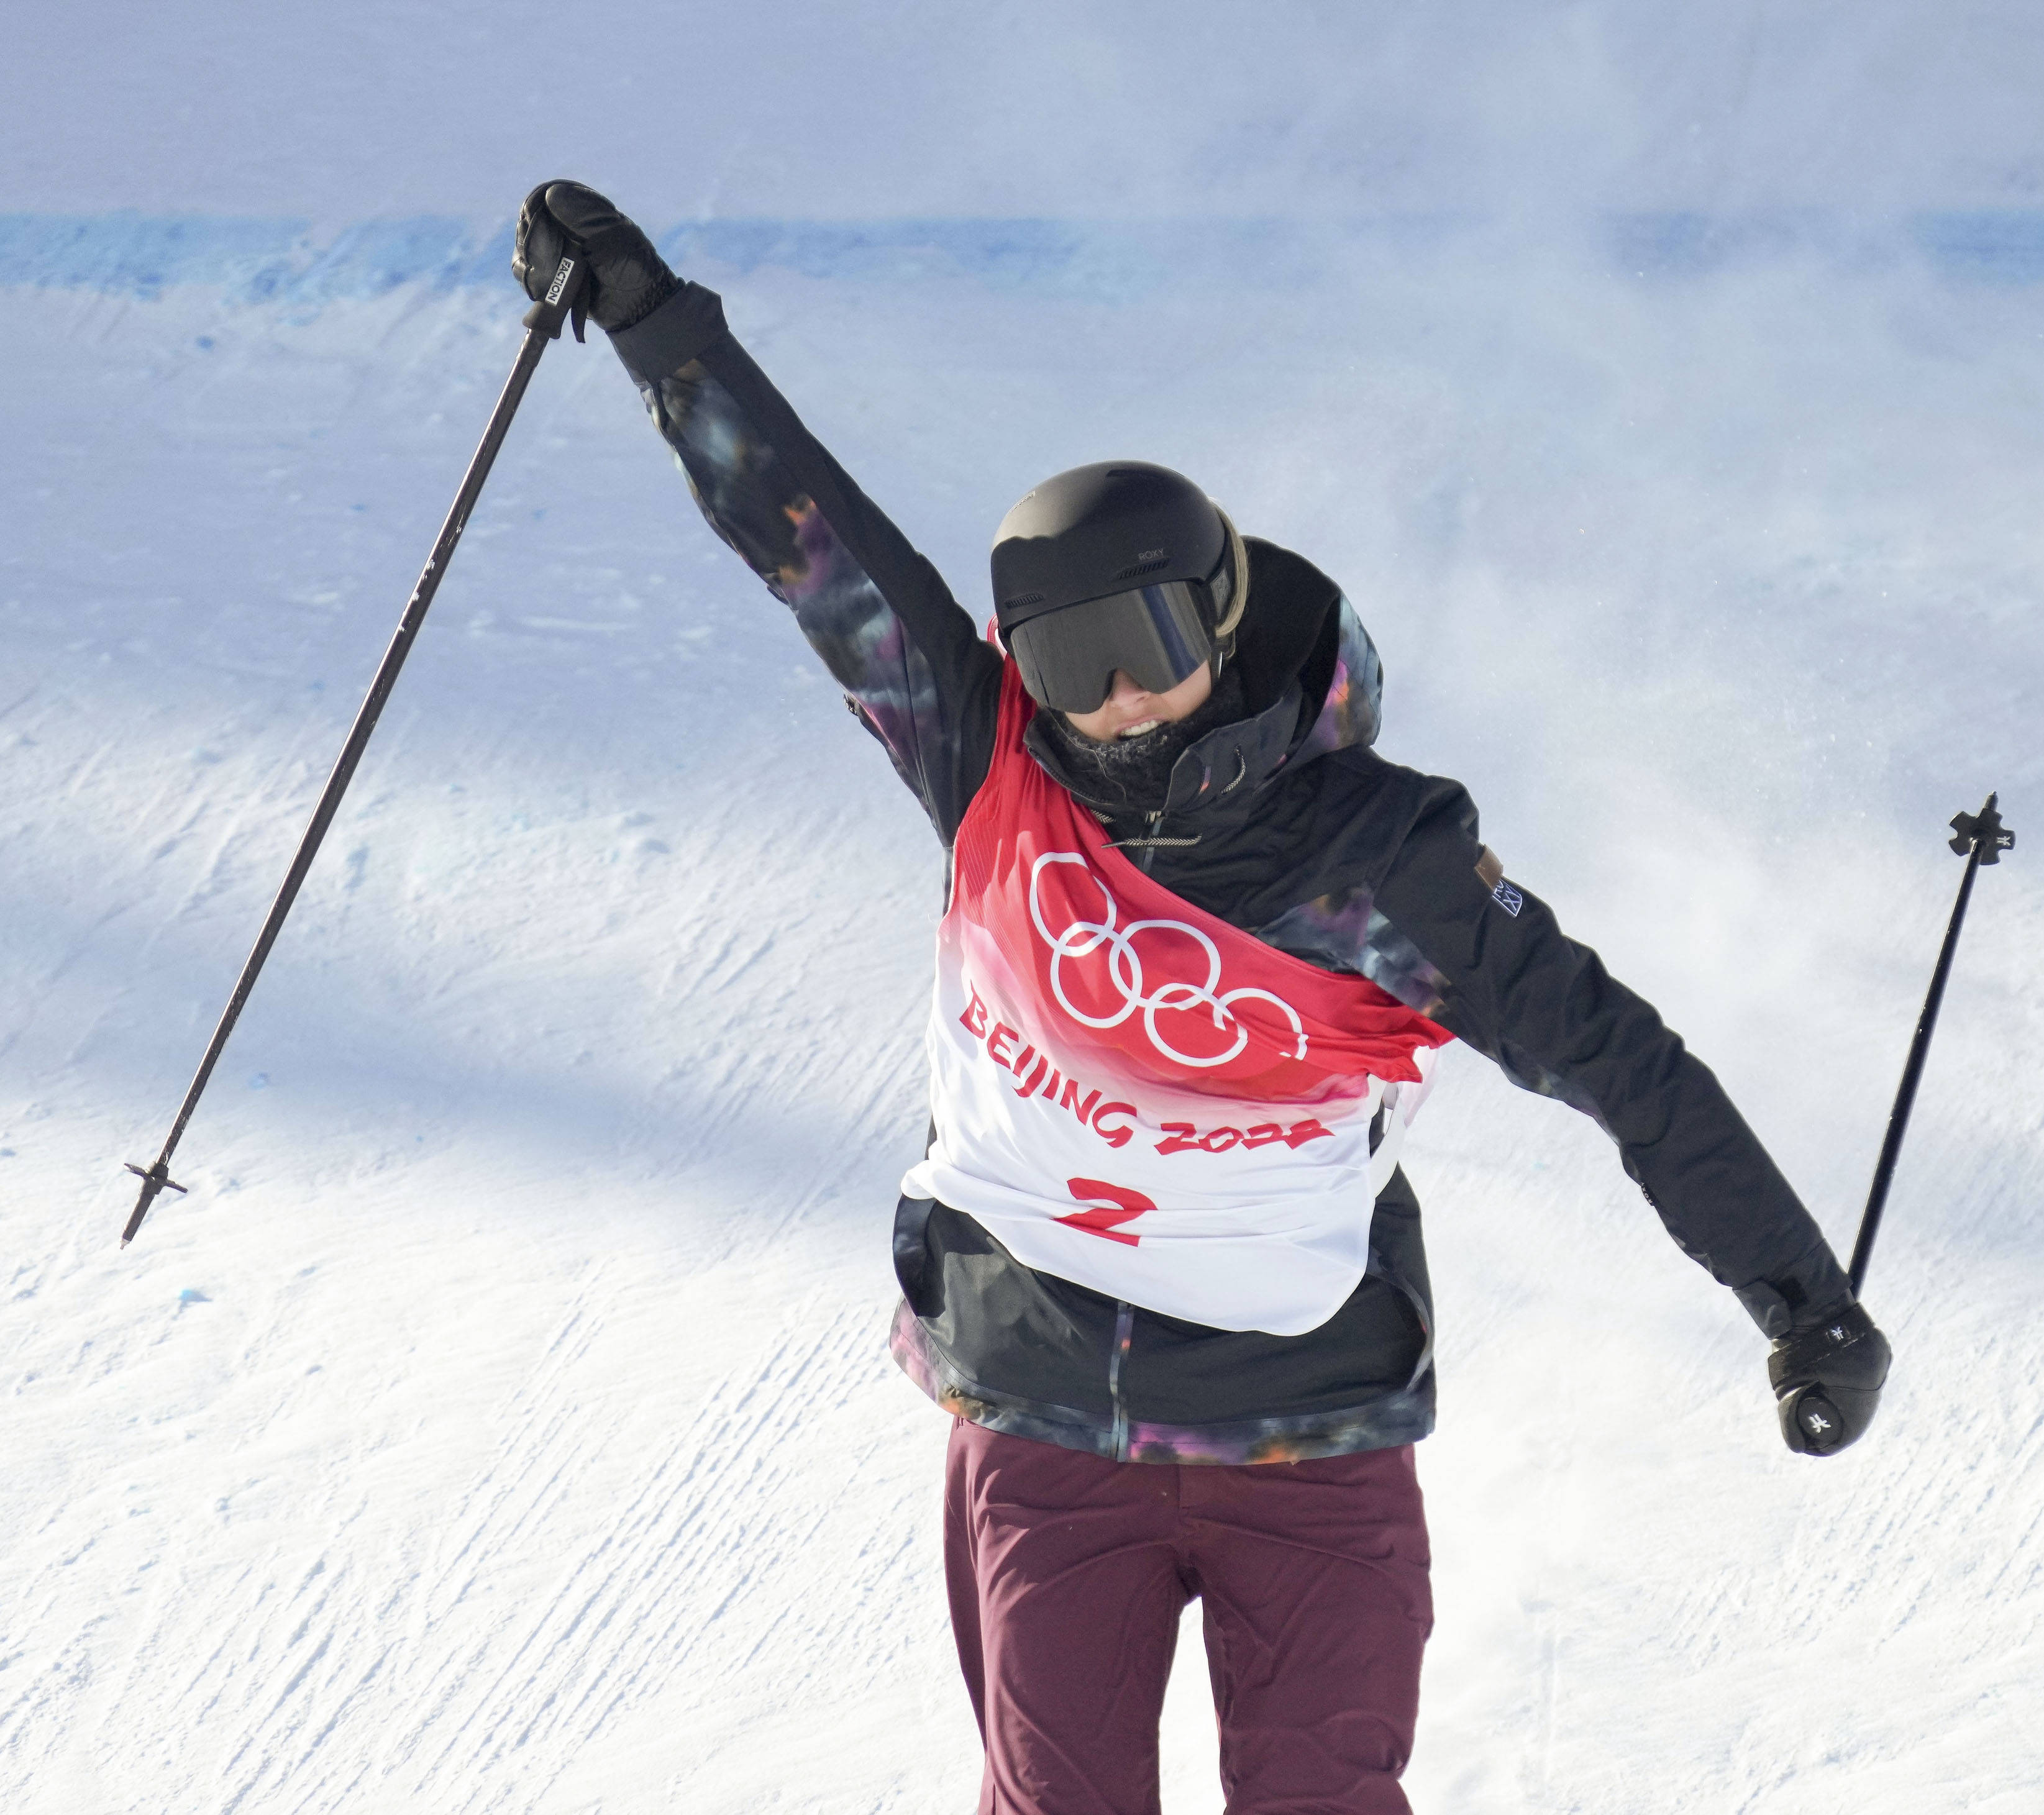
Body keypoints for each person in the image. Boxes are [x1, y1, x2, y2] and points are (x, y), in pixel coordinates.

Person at [513, 180, 1891, 1815]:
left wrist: (1801, 1298)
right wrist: (655, 320)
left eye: (1145, 641)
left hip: (1304, 1430)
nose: (1111, 702)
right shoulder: (987, 767)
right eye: (1064, 658)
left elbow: (1618, 1059)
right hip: (1045, 1404)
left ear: (1223, 615)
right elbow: (805, 535)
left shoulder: (1384, 862)